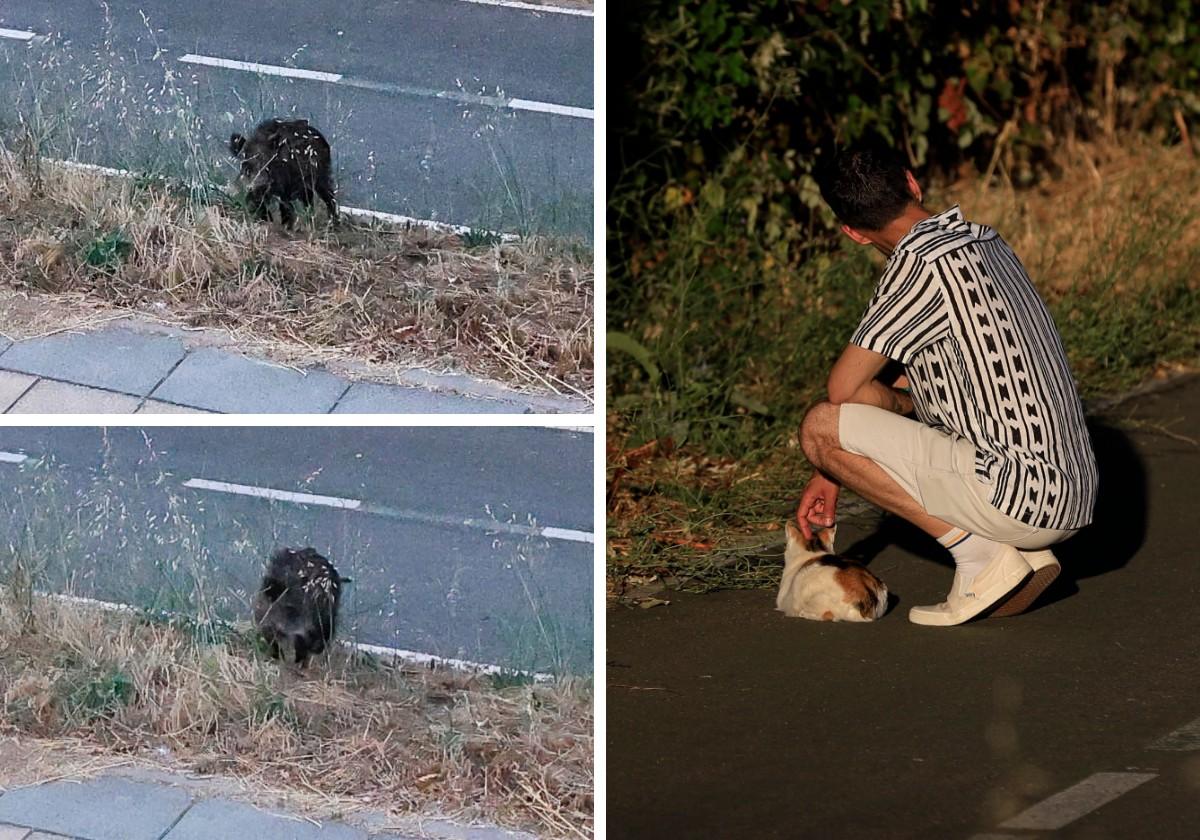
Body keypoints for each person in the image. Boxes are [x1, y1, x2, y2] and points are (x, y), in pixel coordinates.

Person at [797, 140, 1097, 626]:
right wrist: (831, 469)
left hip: (1020, 496)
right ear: (913, 183)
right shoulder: (986, 240)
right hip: (1074, 493)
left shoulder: (917, 267)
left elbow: (842, 394)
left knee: (818, 426)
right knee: (842, 424)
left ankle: (982, 557)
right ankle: (1019, 551)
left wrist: (828, 456)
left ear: (852, 233)